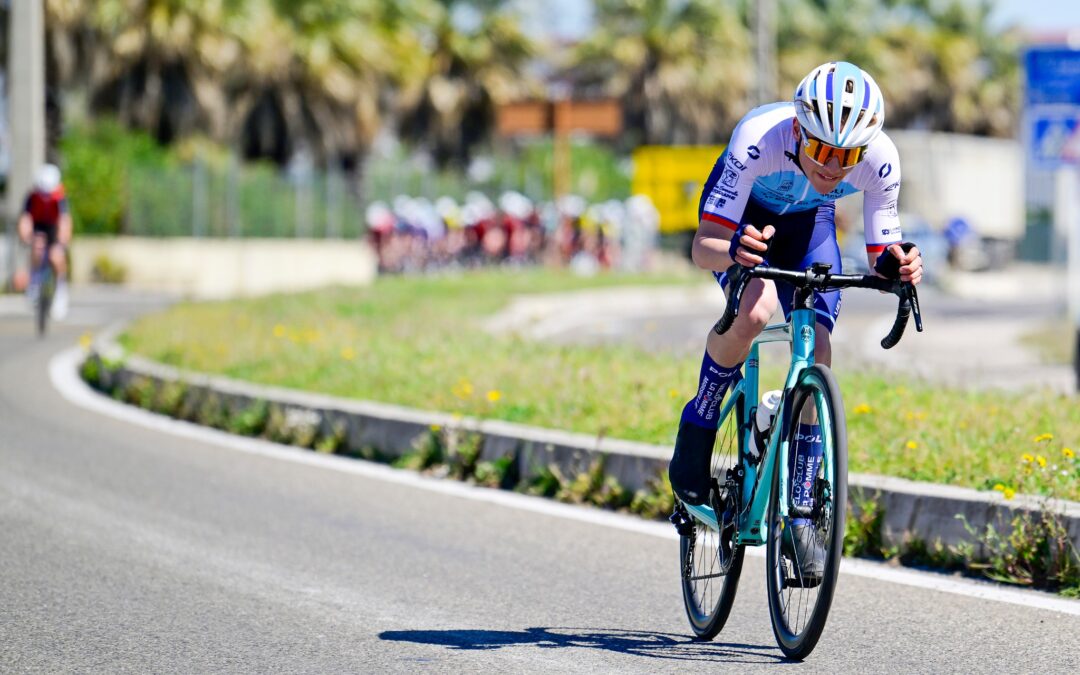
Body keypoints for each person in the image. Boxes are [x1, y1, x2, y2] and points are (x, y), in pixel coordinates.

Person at [667, 62, 923, 578]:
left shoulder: (881, 158)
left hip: (810, 227)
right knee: (755, 309)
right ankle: (701, 421)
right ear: (799, 131)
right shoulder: (759, 138)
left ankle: (801, 511)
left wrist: (899, 265)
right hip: (743, 221)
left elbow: (882, 252)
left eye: (847, 156)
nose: (833, 168)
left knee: (819, 348)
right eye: (823, 151)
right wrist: (733, 251)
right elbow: (703, 245)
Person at [17, 163, 73, 319]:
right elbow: (25, 219)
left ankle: (61, 290)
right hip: (38, 226)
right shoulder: (32, 196)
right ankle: (34, 282)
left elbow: (65, 221)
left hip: (53, 227)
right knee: (37, 247)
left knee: (56, 256)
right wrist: (25, 236)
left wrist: (62, 242)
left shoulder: (60, 197)